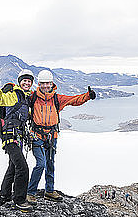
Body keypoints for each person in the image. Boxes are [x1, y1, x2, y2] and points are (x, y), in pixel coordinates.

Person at [26, 69, 96, 202]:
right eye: (43, 84)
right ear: (39, 84)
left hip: (52, 136)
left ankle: (49, 191)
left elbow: (74, 100)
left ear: (52, 83)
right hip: (37, 135)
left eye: (48, 83)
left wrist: (87, 96)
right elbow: (18, 98)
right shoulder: (32, 97)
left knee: (50, 164)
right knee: (41, 164)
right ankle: (31, 192)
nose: (46, 86)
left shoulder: (57, 99)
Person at [0, 69, 36, 212]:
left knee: (13, 167)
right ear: (20, 82)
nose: (27, 83)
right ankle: (19, 200)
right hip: (11, 137)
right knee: (22, 167)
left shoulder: (25, 98)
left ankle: (4, 195)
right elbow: (1, 99)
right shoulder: (14, 94)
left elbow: (26, 115)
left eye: (29, 81)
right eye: (24, 80)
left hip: (17, 137)